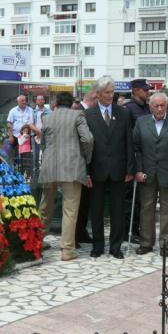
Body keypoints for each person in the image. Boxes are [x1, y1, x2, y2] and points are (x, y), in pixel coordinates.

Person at [38, 92, 93, 261]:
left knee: (45, 206)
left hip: (49, 167)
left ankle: (36, 242)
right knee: (70, 209)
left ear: (55, 103)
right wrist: (86, 158)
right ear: (71, 104)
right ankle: (67, 250)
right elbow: (88, 139)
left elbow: (43, 144)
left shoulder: (47, 118)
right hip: (71, 167)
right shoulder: (78, 115)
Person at [84, 77, 134, 259]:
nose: (110, 96)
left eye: (112, 92)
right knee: (96, 211)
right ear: (98, 94)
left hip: (118, 171)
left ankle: (115, 247)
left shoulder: (123, 113)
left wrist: (130, 169)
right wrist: (86, 172)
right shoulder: (88, 115)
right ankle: (98, 246)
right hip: (96, 171)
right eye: (107, 92)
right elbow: (85, 146)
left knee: (117, 211)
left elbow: (129, 141)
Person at [134, 92, 168, 257]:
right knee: (146, 209)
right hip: (147, 173)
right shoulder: (141, 122)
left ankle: (165, 245)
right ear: (150, 107)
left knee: (167, 210)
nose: (159, 109)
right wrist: (138, 170)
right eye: (156, 106)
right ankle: (146, 243)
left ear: (166, 106)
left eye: (162, 105)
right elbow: (136, 149)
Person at [124, 78, 152, 243]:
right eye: (145, 90)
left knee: (142, 200)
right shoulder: (128, 109)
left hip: (146, 159)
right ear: (135, 90)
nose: (147, 92)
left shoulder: (147, 108)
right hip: (133, 158)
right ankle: (129, 230)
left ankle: (138, 228)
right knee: (130, 199)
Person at [74, 89, 98, 246]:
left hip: (88, 164)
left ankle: (81, 232)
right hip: (80, 163)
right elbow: (85, 140)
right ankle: (74, 235)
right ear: (94, 98)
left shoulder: (84, 111)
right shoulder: (78, 112)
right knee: (75, 203)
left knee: (84, 203)